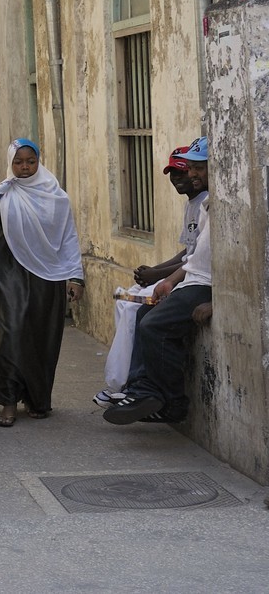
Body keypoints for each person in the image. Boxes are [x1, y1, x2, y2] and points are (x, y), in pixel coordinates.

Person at [0, 139, 83, 426]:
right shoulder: (1, 196)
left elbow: (68, 237)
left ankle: (37, 398)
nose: (25, 167)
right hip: (9, 274)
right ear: (10, 163)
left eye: (30, 161)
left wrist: (75, 275)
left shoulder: (57, 197)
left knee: (42, 337)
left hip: (47, 276)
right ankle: (8, 400)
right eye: (18, 162)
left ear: (38, 161)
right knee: (11, 332)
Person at [106, 138, 213, 425]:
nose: (192, 175)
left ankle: (172, 402)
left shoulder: (219, 205)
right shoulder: (205, 206)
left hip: (203, 285)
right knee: (142, 311)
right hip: (192, 279)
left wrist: (216, 302)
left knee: (154, 324)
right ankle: (142, 388)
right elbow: (194, 257)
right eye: (190, 168)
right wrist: (169, 280)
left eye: (198, 168)